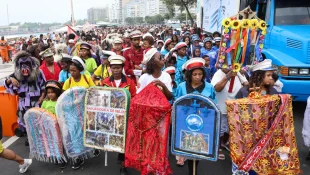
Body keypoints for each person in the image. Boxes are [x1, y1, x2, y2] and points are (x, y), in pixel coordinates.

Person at [175, 58, 217, 175]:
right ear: (189, 75)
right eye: (194, 74)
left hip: (202, 124)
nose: (197, 77)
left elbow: (214, 104)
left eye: (200, 74)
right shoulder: (181, 87)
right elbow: (176, 103)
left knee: (198, 148)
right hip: (185, 123)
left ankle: (193, 171)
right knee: (187, 147)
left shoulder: (209, 87)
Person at [101, 55, 136, 175]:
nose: (116, 70)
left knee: (124, 140)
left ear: (122, 68)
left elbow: (134, 97)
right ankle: (120, 156)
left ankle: (123, 166)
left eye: (118, 68)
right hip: (109, 117)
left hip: (125, 117)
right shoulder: (105, 82)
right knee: (114, 138)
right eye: (114, 68)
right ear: (110, 69)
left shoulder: (130, 82)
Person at [3, 51, 46, 145]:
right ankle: (30, 139)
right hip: (23, 102)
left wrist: (41, 98)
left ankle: (40, 139)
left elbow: (43, 86)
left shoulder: (38, 73)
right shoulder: (16, 74)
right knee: (24, 120)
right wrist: (10, 80)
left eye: (27, 64)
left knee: (37, 120)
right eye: (22, 64)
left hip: (36, 101)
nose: (25, 67)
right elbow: (6, 83)